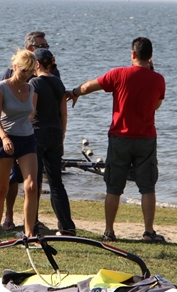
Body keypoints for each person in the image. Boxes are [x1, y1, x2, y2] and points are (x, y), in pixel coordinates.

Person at [67, 37, 166, 243]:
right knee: (147, 187)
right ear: (150, 57)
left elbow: (88, 87)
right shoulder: (158, 80)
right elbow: (155, 106)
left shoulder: (118, 74)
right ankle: (148, 231)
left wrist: (74, 92)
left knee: (113, 186)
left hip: (119, 137)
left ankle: (109, 231)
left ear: (132, 54)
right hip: (146, 139)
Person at [2, 31, 57, 232]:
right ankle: (8, 217)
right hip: (13, 133)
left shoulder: (48, 69)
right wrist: (3, 135)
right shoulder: (12, 72)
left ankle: (32, 220)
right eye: (42, 45)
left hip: (36, 133)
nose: (46, 48)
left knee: (33, 181)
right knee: (12, 178)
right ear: (31, 48)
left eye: (47, 44)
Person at [0, 49, 39, 244]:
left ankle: (30, 234)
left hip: (27, 139)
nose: (26, 75)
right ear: (15, 66)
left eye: (30, 72)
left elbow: (29, 113)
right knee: (1, 189)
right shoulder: (1, 87)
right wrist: (4, 138)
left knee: (32, 186)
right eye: (23, 70)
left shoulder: (31, 88)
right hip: (4, 139)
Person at [28, 48, 76, 235]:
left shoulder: (35, 82)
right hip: (56, 134)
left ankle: (31, 224)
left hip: (38, 134)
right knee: (56, 182)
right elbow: (63, 114)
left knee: (35, 181)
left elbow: (31, 114)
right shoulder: (59, 83)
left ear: (37, 64)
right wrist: (62, 137)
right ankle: (67, 227)